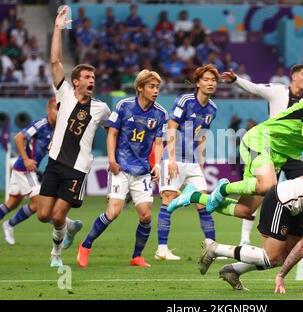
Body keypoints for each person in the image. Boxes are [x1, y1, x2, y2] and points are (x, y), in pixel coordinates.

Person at [168, 86, 303, 231]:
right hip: (261, 139)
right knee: (268, 185)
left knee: (245, 210)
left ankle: (193, 196)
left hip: (279, 153)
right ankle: (223, 188)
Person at [37, 7, 111, 267]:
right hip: (55, 162)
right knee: (42, 214)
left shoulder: (102, 108)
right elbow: (55, 61)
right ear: (76, 81)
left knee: (56, 216)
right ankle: (70, 227)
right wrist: (58, 27)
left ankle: (55, 253)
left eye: (94, 77)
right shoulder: (65, 94)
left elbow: (112, 129)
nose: (92, 80)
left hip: (77, 169)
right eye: (87, 77)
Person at [76, 70, 167, 268]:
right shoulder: (124, 106)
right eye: (151, 87)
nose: (155, 91)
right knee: (113, 212)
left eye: (157, 87)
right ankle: (85, 245)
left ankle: (137, 256)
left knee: (146, 215)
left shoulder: (160, 113)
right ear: (140, 88)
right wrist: (111, 159)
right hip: (121, 168)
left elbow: (159, 143)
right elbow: (112, 133)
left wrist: (157, 165)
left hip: (142, 170)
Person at [221, 64, 303, 247]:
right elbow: (255, 88)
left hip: (290, 153)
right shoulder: (277, 91)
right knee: (259, 193)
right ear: (293, 76)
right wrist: (236, 80)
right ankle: (244, 238)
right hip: (269, 149)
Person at [155, 64, 220, 261]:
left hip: (192, 162)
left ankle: (211, 247)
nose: (210, 83)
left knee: (204, 203)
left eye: (213, 80)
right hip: (173, 159)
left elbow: (202, 135)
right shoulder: (185, 100)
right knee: (168, 200)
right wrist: (172, 159)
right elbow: (171, 128)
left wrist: (201, 161)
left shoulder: (213, 108)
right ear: (198, 83)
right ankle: (162, 249)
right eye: (206, 80)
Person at [0, 98, 69, 245]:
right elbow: (18, 138)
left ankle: (8, 225)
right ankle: (10, 225)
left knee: (11, 204)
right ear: (48, 110)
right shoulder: (41, 124)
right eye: (55, 109)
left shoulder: (58, 130)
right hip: (24, 169)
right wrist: (26, 159)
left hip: (22, 170)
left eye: (60, 110)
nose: (58, 113)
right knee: (39, 203)